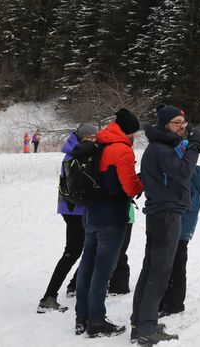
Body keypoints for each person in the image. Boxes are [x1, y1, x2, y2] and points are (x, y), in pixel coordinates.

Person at [130, 104, 200, 345]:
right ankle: (147, 328)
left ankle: (139, 323)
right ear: (164, 125)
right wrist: (193, 147)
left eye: (183, 122)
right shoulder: (160, 150)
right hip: (165, 214)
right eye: (176, 123)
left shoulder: (162, 147)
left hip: (163, 213)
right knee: (159, 271)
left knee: (151, 268)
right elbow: (182, 174)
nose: (182, 127)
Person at [75, 109, 143, 338]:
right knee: (103, 269)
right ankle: (96, 321)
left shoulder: (100, 143)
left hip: (92, 213)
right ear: (128, 131)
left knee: (87, 264)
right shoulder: (121, 150)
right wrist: (141, 183)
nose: (136, 136)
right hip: (112, 216)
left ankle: (82, 317)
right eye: (134, 132)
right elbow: (129, 187)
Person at [39, 122, 99, 314]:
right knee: (73, 251)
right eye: (87, 137)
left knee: (85, 248)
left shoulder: (74, 151)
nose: (91, 140)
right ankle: (49, 297)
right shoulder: (77, 153)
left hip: (72, 207)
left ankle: (74, 285)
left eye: (93, 138)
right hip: (75, 209)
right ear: (80, 137)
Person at [159, 164, 200, 317]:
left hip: (176, 225)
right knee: (177, 265)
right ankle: (173, 302)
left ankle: (173, 304)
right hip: (186, 227)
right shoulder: (198, 175)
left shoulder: (183, 175)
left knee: (172, 266)